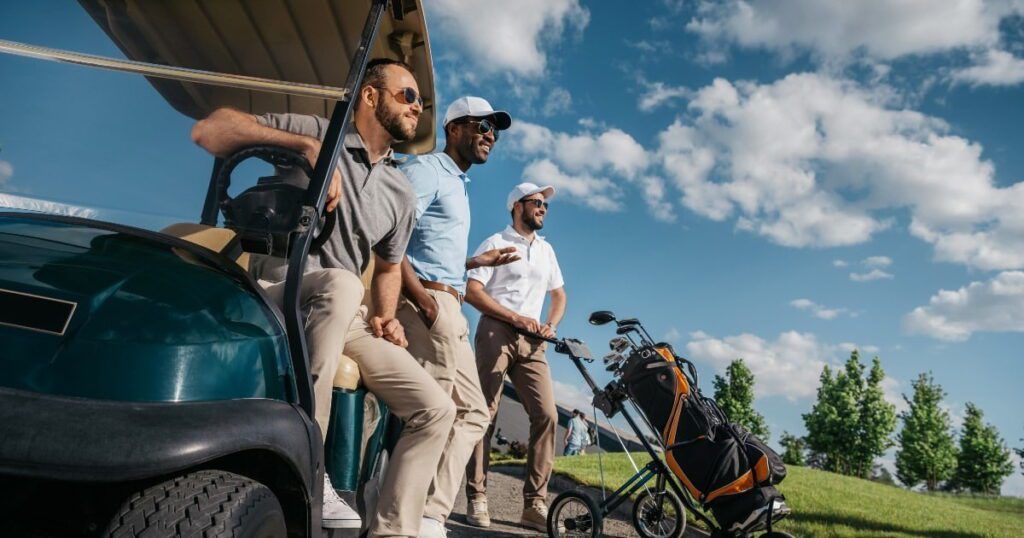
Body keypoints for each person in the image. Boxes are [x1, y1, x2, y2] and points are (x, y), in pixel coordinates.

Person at [191, 58, 455, 537]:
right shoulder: (317, 133)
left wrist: (386, 316)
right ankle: (308, 464)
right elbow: (210, 131)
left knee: (437, 409)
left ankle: (394, 531)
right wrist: (305, 147)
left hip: (346, 312)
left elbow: (390, 266)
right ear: (371, 96)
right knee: (341, 282)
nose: (419, 108)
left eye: (421, 101)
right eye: (408, 96)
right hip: (275, 288)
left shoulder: (400, 191)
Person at [395, 96, 517, 537]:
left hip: (449, 301)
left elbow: (429, 250)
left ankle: (430, 514)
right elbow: (388, 239)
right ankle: (404, 517)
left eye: (495, 130)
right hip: (428, 303)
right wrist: (426, 304)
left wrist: (473, 264)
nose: (490, 135)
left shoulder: (457, 184)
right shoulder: (426, 170)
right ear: (453, 128)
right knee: (437, 414)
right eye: (481, 126)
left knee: (474, 414)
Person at [463, 182, 567, 532]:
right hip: (497, 331)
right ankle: (476, 496)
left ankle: (534, 504)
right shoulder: (495, 243)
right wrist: (513, 317)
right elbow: (472, 291)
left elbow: (559, 295)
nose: (543, 208)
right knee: (485, 412)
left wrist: (550, 324)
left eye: (545, 205)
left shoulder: (546, 251)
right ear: (516, 206)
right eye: (536, 202)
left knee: (547, 415)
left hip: (534, 341)